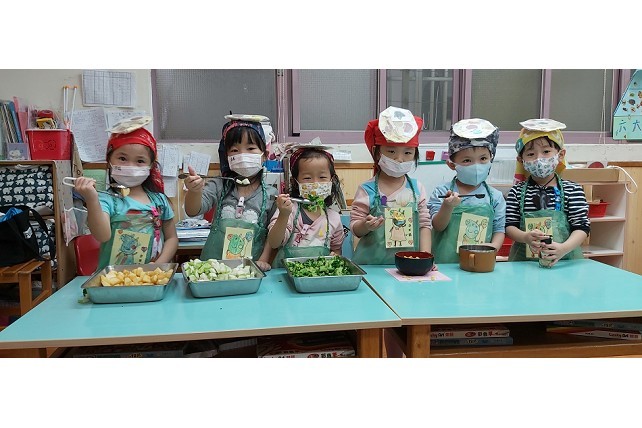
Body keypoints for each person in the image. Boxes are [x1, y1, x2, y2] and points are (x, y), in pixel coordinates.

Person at [73, 117, 178, 271]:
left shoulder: (159, 200)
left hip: (151, 277)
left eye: (140, 161)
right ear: (109, 161)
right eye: (122, 158)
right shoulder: (106, 199)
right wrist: (91, 199)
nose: (130, 166)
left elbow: (172, 238)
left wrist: (158, 264)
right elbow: (102, 236)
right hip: (114, 279)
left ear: (151, 166)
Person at [183, 114, 277, 271]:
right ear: (227, 157)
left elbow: (272, 234)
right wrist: (194, 191)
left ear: (264, 155)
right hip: (213, 270)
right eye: (234, 150)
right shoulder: (219, 185)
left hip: (250, 271)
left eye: (250, 148)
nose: (242, 155)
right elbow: (193, 211)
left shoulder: (271, 194)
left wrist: (264, 260)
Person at [350, 106, 432, 264]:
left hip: (408, 265)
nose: (399, 159)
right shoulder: (366, 190)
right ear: (377, 152)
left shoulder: (417, 189)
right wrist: (366, 226)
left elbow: (424, 225)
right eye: (391, 152)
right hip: (372, 267)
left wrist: (425, 258)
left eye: (407, 153)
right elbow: (355, 229)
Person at [505, 118, 590, 265]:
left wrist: (563, 248)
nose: (539, 159)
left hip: (564, 262)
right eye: (530, 154)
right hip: (525, 264)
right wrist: (525, 237)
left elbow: (582, 228)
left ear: (560, 155)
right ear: (521, 160)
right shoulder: (516, 192)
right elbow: (509, 226)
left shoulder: (572, 190)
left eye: (546, 152)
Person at [428, 118, 506, 263]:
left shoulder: (495, 197)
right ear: (452, 165)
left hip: (479, 263)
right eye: (467, 160)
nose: (476, 166)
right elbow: (438, 226)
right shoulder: (442, 191)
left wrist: (493, 247)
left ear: (491, 159)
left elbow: (499, 229)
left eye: (483, 158)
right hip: (444, 265)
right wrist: (447, 206)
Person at [267, 144, 345, 267]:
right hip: (284, 273)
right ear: (295, 182)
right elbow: (274, 242)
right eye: (307, 178)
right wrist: (283, 215)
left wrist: (335, 256)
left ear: (332, 180)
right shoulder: (290, 210)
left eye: (322, 177)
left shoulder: (334, 218)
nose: (315, 183)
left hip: (318, 275)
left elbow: (336, 250)